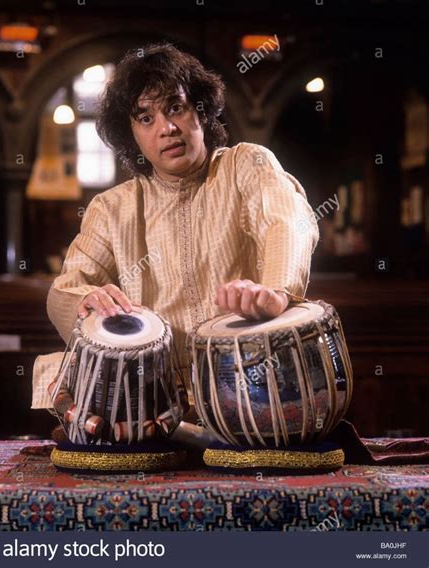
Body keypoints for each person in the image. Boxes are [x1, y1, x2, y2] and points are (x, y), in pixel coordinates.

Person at [46, 43, 319, 395]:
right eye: (146, 118)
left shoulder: (246, 166)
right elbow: (64, 291)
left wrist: (275, 292)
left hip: (253, 383)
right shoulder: (112, 208)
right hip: (152, 394)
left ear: (201, 112)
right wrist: (87, 301)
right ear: (132, 135)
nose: (167, 128)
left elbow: (287, 221)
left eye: (176, 108)